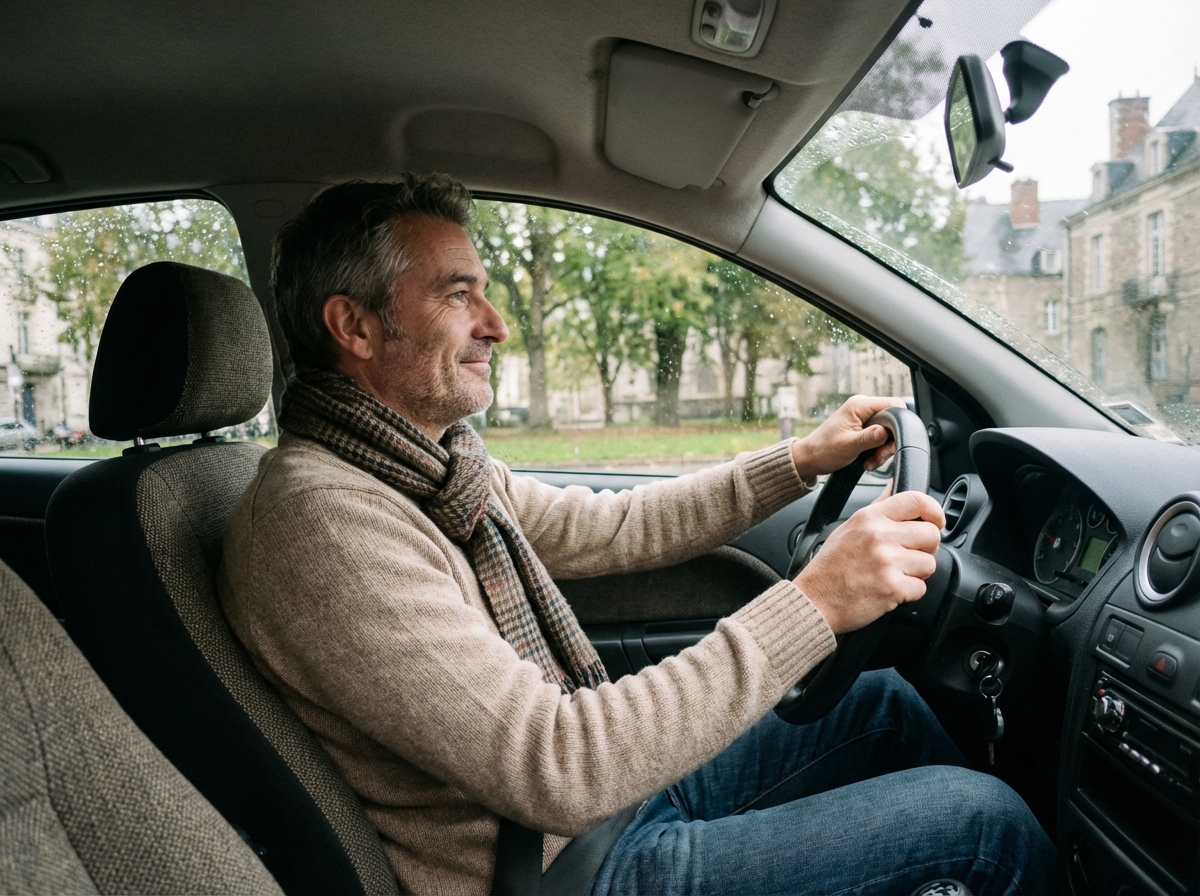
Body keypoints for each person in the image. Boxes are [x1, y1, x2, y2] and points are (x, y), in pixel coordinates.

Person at [217, 175, 1056, 896]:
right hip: (555, 871)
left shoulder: (427, 468)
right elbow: (555, 763)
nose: (496, 323)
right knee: (985, 825)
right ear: (355, 328)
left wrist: (799, 461)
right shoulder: (324, 522)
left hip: (594, 818)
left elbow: (612, 525)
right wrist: (814, 605)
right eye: (457, 293)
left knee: (881, 705)